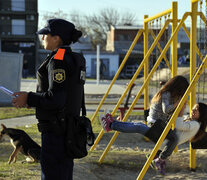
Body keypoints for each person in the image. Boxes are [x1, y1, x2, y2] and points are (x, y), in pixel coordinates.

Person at [11, 18, 85, 180]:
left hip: (55, 131)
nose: (42, 38)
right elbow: (64, 97)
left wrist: (29, 98)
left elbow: (56, 98)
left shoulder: (58, 61)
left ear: (56, 38)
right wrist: (34, 101)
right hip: (68, 129)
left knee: (52, 174)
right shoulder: (72, 57)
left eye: (45, 34)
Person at [100, 75, 189, 174]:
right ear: (178, 88)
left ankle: (112, 123)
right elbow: (166, 110)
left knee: (139, 126)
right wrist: (178, 103)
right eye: (183, 91)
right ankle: (159, 159)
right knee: (174, 138)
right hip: (156, 124)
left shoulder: (169, 94)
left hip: (158, 124)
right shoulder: (166, 94)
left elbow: (172, 114)